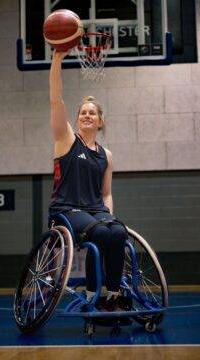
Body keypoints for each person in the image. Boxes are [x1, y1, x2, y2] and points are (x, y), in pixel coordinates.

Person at [48, 50, 130, 311]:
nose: (86, 115)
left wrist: (109, 215)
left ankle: (114, 296)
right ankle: (94, 293)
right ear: (77, 119)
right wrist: (58, 59)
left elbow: (106, 194)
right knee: (100, 233)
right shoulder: (67, 140)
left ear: (100, 120)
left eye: (92, 113)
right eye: (83, 112)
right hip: (67, 209)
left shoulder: (107, 155)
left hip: (95, 210)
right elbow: (55, 100)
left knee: (117, 231)